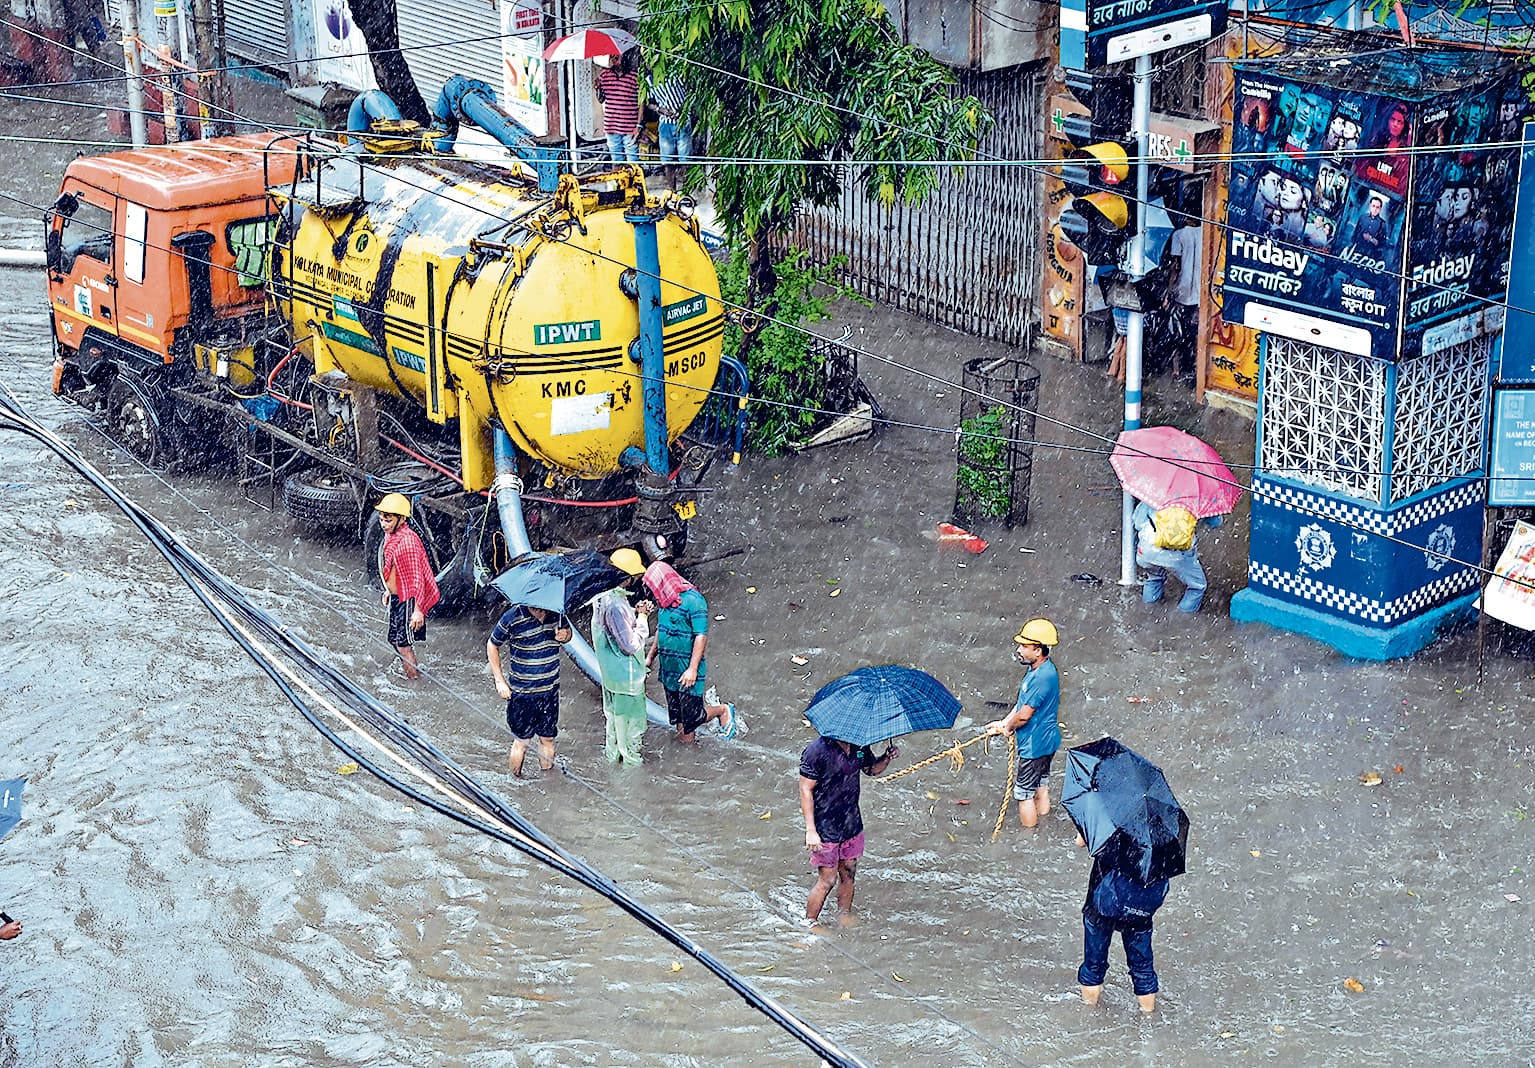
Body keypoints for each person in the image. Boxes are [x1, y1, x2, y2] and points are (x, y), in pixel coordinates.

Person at [799, 733, 897, 926]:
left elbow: (871, 769)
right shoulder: (816, 750)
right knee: (827, 879)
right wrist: (811, 830)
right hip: (825, 824)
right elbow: (805, 789)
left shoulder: (859, 745)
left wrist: (886, 758)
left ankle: (843, 915)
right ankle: (810, 923)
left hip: (851, 822)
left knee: (849, 872)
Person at [642, 561, 736, 742]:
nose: (651, 591)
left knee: (694, 716)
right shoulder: (665, 601)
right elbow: (661, 631)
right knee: (679, 718)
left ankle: (722, 710)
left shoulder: (694, 601)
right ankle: (687, 752)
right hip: (670, 669)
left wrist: (692, 669)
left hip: (687, 668)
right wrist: (650, 657)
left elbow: (701, 635)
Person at [1075, 833, 1170, 1013]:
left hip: (1102, 903)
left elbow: (1080, 842)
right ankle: (1148, 1018)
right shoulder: (1162, 829)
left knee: (1094, 965)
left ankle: (1089, 1014)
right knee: (1142, 967)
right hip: (1139, 908)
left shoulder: (1108, 816)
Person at [983, 618, 1062, 830]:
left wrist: (1009, 728)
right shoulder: (1040, 669)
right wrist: (1003, 723)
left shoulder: (1041, 678)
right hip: (1048, 740)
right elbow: (1021, 705)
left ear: (1038, 650)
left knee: (1023, 793)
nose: (1019, 650)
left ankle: (1030, 837)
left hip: (1034, 744)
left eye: (1024, 646)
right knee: (1041, 785)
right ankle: (1044, 824)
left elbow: (1025, 715)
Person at [487, 602, 573, 777]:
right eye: (534, 607)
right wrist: (499, 681)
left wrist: (566, 635)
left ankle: (547, 781)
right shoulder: (512, 617)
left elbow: (569, 634)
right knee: (522, 741)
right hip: (522, 693)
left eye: (542, 607)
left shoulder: (556, 613)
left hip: (549, 691)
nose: (539, 611)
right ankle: (515, 781)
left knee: (548, 738)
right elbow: (492, 645)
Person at [591, 548, 653, 765]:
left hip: (610, 675)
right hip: (626, 679)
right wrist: (643, 618)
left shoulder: (601, 598)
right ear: (625, 577)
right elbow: (630, 645)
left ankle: (613, 763)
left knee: (614, 724)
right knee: (631, 731)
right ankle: (631, 775)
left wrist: (634, 615)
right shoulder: (616, 605)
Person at [374, 493, 440, 680]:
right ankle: (410, 670)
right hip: (397, 596)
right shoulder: (390, 537)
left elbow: (417, 578)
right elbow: (392, 568)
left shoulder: (409, 542)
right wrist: (388, 590)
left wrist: (418, 610)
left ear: (402, 519)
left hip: (408, 599)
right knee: (394, 639)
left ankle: (415, 683)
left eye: (388, 520)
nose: (383, 524)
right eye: (381, 519)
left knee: (403, 644)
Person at [1133, 500, 1220, 613]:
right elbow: (1216, 523)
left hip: (1147, 550)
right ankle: (1182, 618)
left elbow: (1137, 522)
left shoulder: (1154, 492)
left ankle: (1148, 613)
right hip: (1177, 554)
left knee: (1154, 577)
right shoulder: (1201, 498)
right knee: (1198, 586)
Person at [1161, 214, 1202, 384]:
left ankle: (1177, 369)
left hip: (1181, 292)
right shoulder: (1206, 232)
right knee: (1196, 333)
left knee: (1176, 333)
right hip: (1199, 292)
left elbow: (1175, 266)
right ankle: (1196, 366)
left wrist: (1168, 291)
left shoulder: (1179, 235)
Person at [595, 49, 641, 164]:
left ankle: (632, 183)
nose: (615, 60)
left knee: (633, 162)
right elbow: (601, 99)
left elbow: (641, 103)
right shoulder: (604, 75)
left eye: (617, 57)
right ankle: (618, 182)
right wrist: (597, 89)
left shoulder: (635, 76)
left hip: (630, 126)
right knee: (616, 160)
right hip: (612, 126)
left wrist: (638, 125)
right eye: (612, 57)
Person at [647, 71, 691, 190]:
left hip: (683, 120)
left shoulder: (677, 72)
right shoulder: (649, 80)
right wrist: (660, 109)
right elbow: (649, 103)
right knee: (667, 160)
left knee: (685, 160)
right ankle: (672, 190)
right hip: (665, 123)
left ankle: (686, 191)